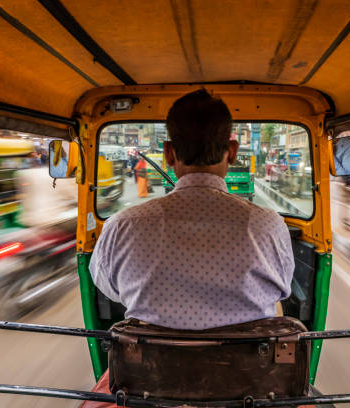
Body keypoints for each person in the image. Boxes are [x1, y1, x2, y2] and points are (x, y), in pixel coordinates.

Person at [90, 89, 294, 330]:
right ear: (232, 152)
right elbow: (282, 288)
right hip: (245, 367)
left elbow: (111, 290)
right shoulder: (268, 225)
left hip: (151, 366)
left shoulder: (122, 226)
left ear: (168, 153)